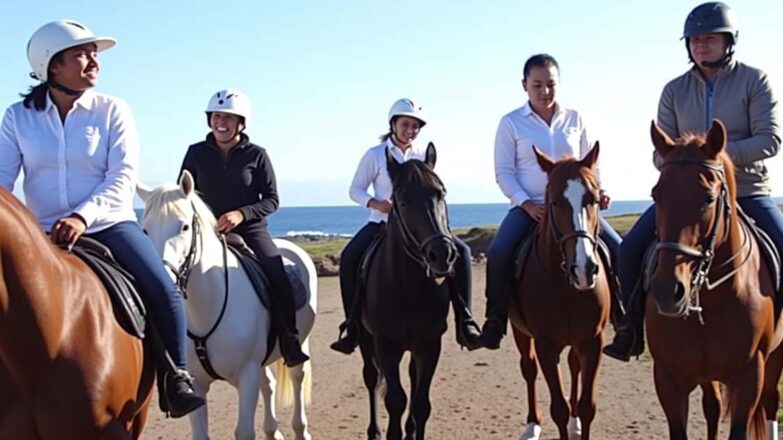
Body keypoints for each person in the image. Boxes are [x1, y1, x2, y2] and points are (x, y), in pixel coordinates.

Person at [0, 20, 204, 417]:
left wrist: (81, 216)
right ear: (52, 66)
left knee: (163, 289)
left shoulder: (113, 110)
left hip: (108, 225)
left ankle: (176, 376)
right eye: (82, 53)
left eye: (94, 53)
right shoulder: (17, 118)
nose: (94, 60)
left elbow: (122, 176)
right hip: (40, 233)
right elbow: (3, 183)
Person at [603, 2, 783, 364]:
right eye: (694, 40)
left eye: (710, 39)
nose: (701, 46)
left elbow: (770, 139)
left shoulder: (754, 81)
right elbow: (660, 154)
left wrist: (717, 160)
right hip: (688, 197)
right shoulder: (673, 91)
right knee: (630, 249)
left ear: (729, 42)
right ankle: (630, 330)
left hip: (747, 190)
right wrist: (690, 163)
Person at [479, 54, 623, 350]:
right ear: (525, 86)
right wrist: (526, 204)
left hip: (575, 206)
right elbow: (503, 172)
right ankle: (495, 321)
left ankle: (624, 320)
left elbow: (590, 163)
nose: (544, 91)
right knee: (499, 252)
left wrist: (600, 191)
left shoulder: (575, 119)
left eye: (550, 85)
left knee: (619, 249)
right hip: (530, 206)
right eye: (537, 85)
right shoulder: (511, 124)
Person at [329, 98, 482, 354]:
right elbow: (355, 190)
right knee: (349, 257)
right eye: (405, 124)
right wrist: (376, 203)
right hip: (381, 224)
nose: (410, 130)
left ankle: (465, 321)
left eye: (415, 126)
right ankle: (352, 326)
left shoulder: (423, 156)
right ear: (393, 124)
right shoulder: (376, 155)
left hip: (418, 230)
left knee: (462, 253)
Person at [179, 89, 309, 368]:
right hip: (207, 231)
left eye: (228, 118)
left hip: (250, 230)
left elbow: (272, 200)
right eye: (216, 116)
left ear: (242, 123)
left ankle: (289, 338)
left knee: (276, 272)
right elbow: (183, 195)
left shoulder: (257, 155)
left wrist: (242, 214)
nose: (221, 123)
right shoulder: (196, 153)